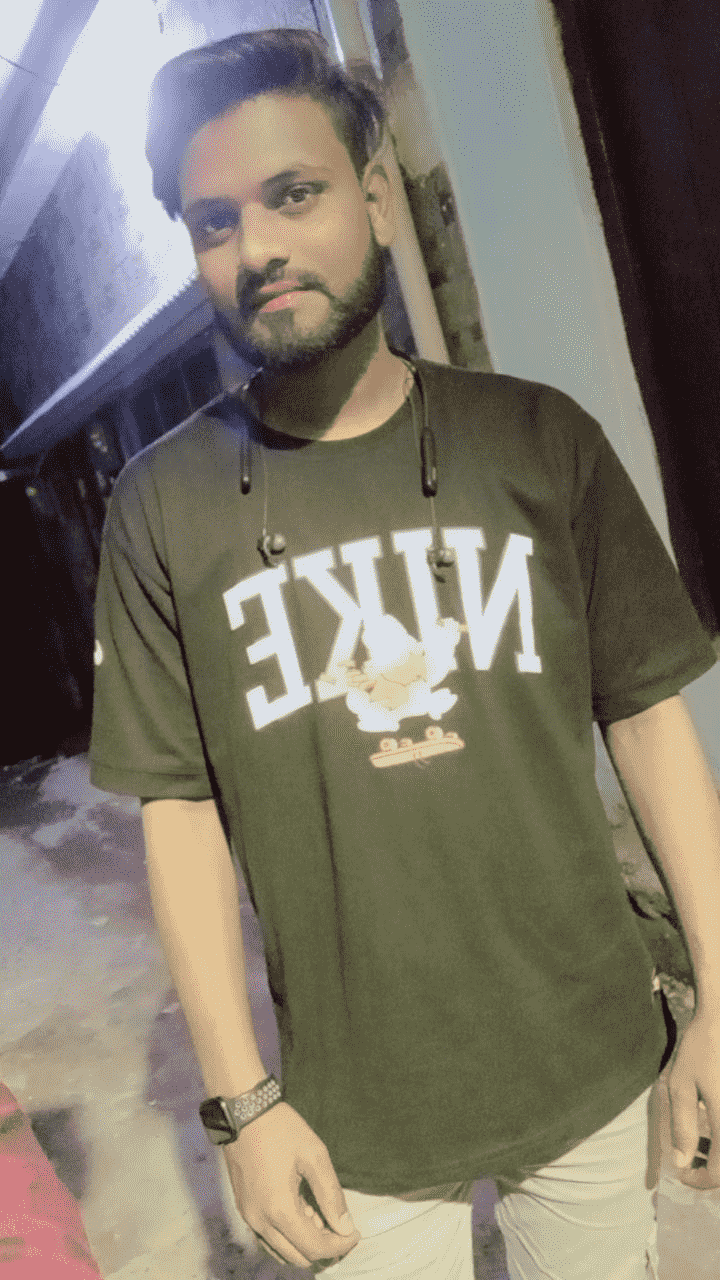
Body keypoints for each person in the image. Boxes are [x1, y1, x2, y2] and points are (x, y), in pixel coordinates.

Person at [89, 28, 720, 1280]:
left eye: (294, 193)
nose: (257, 248)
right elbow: (180, 811)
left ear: (375, 196)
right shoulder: (162, 508)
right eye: (215, 221)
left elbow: (648, 720)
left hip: (591, 1055)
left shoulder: (538, 440)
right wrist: (242, 1104)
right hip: (353, 1119)